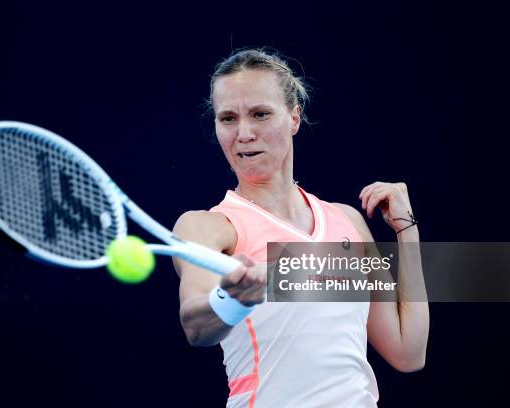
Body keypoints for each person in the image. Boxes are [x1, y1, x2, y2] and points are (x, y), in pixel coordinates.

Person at [172, 49, 429, 408]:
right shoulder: (209, 227)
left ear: (294, 118)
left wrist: (407, 230)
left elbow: (408, 351)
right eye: (228, 118)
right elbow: (196, 327)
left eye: (260, 114)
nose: (243, 133)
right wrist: (231, 299)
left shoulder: (347, 222)